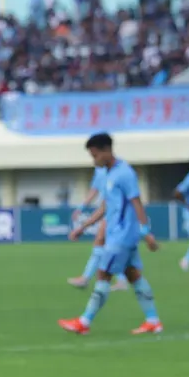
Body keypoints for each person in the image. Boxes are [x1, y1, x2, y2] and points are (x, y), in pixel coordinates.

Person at [59, 133, 162, 336]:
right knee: (134, 276)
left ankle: (84, 322)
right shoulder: (109, 174)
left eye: (95, 155)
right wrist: (84, 226)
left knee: (103, 274)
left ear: (106, 151)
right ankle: (153, 321)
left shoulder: (124, 173)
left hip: (121, 236)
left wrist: (146, 232)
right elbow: (106, 206)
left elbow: (136, 202)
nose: (93, 160)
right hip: (120, 234)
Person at [67, 164, 129, 292]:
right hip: (110, 212)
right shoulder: (100, 171)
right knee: (104, 244)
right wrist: (82, 208)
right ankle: (119, 279)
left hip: (116, 214)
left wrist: (81, 227)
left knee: (103, 243)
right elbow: (95, 192)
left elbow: (104, 205)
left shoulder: (113, 172)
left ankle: (88, 278)